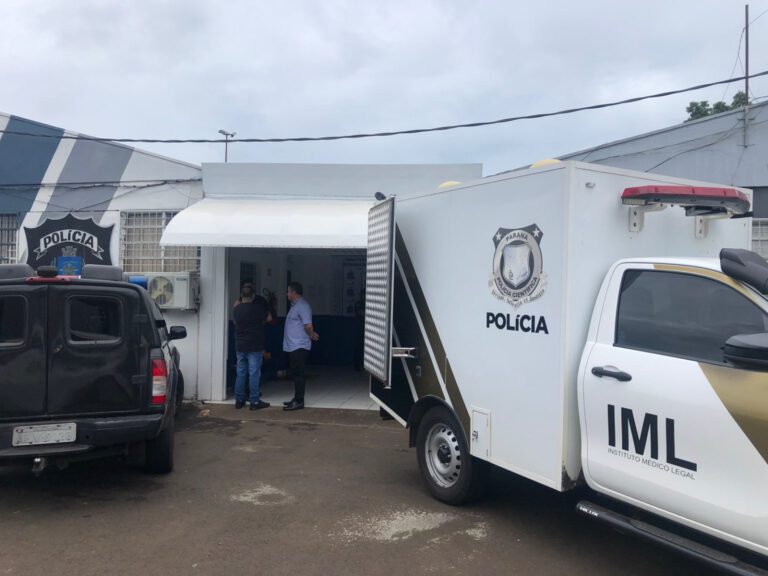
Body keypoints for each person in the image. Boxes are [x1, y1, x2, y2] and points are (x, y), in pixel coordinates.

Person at [232, 283, 271, 410]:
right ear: (253, 296)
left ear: (241, 295)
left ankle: (239, 401)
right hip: (255, 346)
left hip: (240, 345)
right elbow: (269, 318)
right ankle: (254, 402)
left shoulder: (236, 309)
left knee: (241, 373)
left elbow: (235, 322)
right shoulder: (258, 308)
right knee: (254, 373)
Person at [282, 281, 319, 411]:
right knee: (295, 373)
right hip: (293, 346)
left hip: (299, 346)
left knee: (298, 373)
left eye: (288, 291)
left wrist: (311, 334)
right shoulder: (295, 306)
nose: (287, 294)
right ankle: (296, 397)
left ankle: (299, 401)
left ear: (294, 292)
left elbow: (308, 325)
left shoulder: (303, 306)